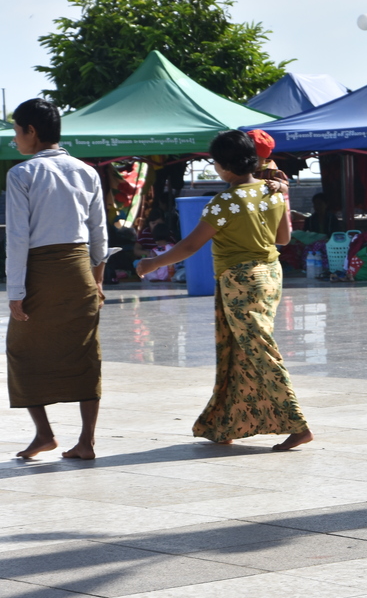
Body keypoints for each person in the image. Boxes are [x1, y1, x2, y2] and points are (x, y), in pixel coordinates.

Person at [137, 130, 312, 452]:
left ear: (223, 166)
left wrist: (151, 263)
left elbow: (190, 245)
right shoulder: (273, 193)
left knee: (258, 350)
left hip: (240, 281)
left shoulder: (224, 203)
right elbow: (283, 239)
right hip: (270, 275)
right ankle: (226, 423)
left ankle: (297, 423)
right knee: (239, 350)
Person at [7, 98, 107, 460]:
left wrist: (16, 291)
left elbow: (17, 238)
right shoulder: (86, 171)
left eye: (17, 132)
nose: (15, 140)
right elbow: (100, 235)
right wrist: (98, 281)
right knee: (84, 352)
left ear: (31, 131)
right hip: (80, 270)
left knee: (21, 351)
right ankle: (86, 441)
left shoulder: (21, 174)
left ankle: (45, 434)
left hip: (40, 274)